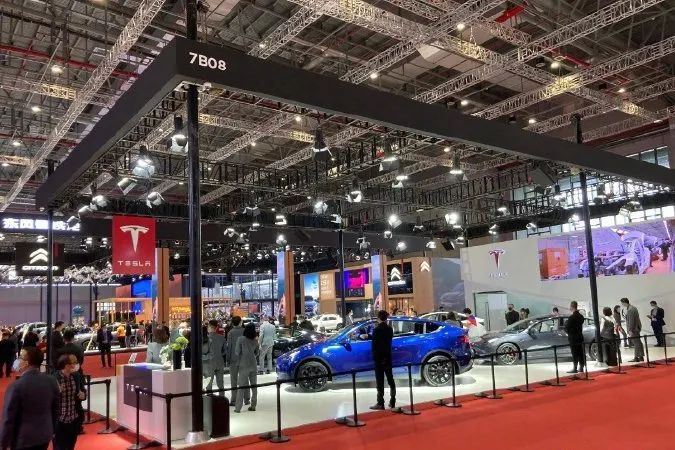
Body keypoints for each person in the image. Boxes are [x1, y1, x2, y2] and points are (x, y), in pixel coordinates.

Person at [0, 347, 59, 450]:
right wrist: (52, 430)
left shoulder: (16, 386)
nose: (17, 360)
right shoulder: (51, 381)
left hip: (23, 439)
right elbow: (55, 409)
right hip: (44, 435)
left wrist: (3, 444)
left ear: (26, 363)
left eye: (20, 357)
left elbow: (8, 418)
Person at [52, 354, 86, 450]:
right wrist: (56, 392)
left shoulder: (76, 376)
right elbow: (48, 399)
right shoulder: (54, 377)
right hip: (59, 421)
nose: (76, 365)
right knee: (59, 447)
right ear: (66, 365)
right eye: (74, 363)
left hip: (74, 419)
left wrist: (83, 395)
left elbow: (83, 391)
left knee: (70, 446)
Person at [368, 310, 396, 411]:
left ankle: (380, 403)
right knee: (390, 380)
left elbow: (374, 346)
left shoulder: (376, 330)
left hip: (379, 359)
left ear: (379, 318)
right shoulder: (390, 329)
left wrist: (375, 358)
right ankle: (392, 401)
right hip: (388, 358)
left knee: (380, 382)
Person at [234, 324, 259, 413]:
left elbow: (237, 352)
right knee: (254, 386)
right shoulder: (255, 340)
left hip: (243, 364)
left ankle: (238, 408)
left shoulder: (240, 339)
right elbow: (257, 353)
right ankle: (253, 405)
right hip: (253, 364)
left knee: (241, 386)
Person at [226, 316, 248, 407]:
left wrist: (227, 359)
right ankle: (247, 399)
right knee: (245, 379)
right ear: (240, 322)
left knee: (234, 380)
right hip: (244, 358)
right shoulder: (245, 331)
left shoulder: (230, 332)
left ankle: (234, 400)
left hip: (233, 359)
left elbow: (229, 347)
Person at [564, 301, 585, 374]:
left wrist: (567, 330)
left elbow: (567, 328)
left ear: (572, 306)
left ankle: (575, 368)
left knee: (574, 353)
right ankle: (581, 367)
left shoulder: (571, 317)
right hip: (580, 336)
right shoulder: (581, 317)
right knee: (580, 352)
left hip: (573, 338)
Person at [621, 298, 644, 362]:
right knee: (638, 342)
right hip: (636, 327)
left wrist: (630, 330)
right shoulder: (633, 308)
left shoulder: (630, 310)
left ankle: (636, 357)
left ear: (624, 302)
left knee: (636, 343)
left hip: (634, 329)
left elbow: (631, 321)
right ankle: (641, 356)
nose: (622, 304)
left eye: (622, 303)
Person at [206, 320, 226, 392]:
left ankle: (209, 398)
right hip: (220, 361)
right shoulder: (222, 337)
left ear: (210, 327)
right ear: (216, 327)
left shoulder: (206, 338)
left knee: (209, 384)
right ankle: (222, 397)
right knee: (221, 383)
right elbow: (225, 351)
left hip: (209, 363)